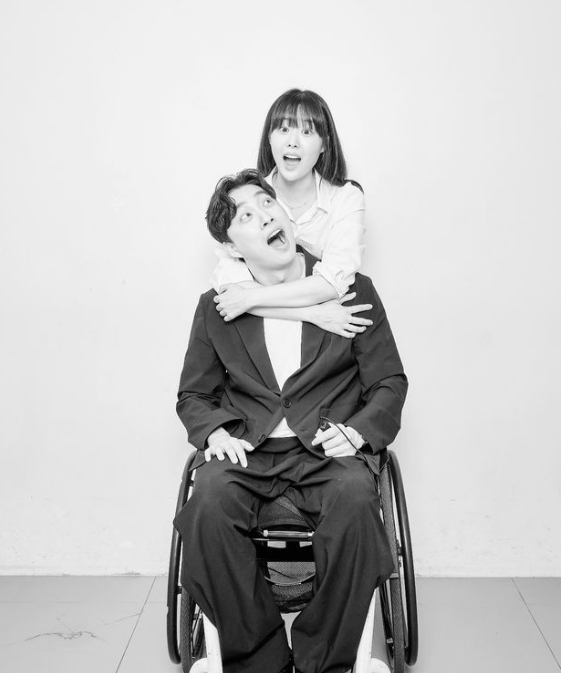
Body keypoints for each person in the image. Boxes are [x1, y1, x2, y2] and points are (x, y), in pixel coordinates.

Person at [174, 169, 408, 673]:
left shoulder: (351, 288)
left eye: (266, 203)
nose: (264, 216)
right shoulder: (216, 307)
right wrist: (214, 431)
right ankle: (259, 660)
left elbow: (389, 382)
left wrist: (358, 432)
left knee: (357, 502)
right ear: (232, 248)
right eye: (246, 216)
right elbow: (193, 394)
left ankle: (323, 659)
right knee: (206, 505)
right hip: (249, 451)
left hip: (326, 449)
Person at [211, 89, 370, 339]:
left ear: (324, 144)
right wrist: (312, 314)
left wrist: (250, 298)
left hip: (331, 337)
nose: (292, 142)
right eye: (284, 129)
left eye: (307, 132)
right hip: (261, 335)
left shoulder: (346, 197)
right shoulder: (250, 197)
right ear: (269, 138)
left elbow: (332, 282)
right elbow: (230, 288)